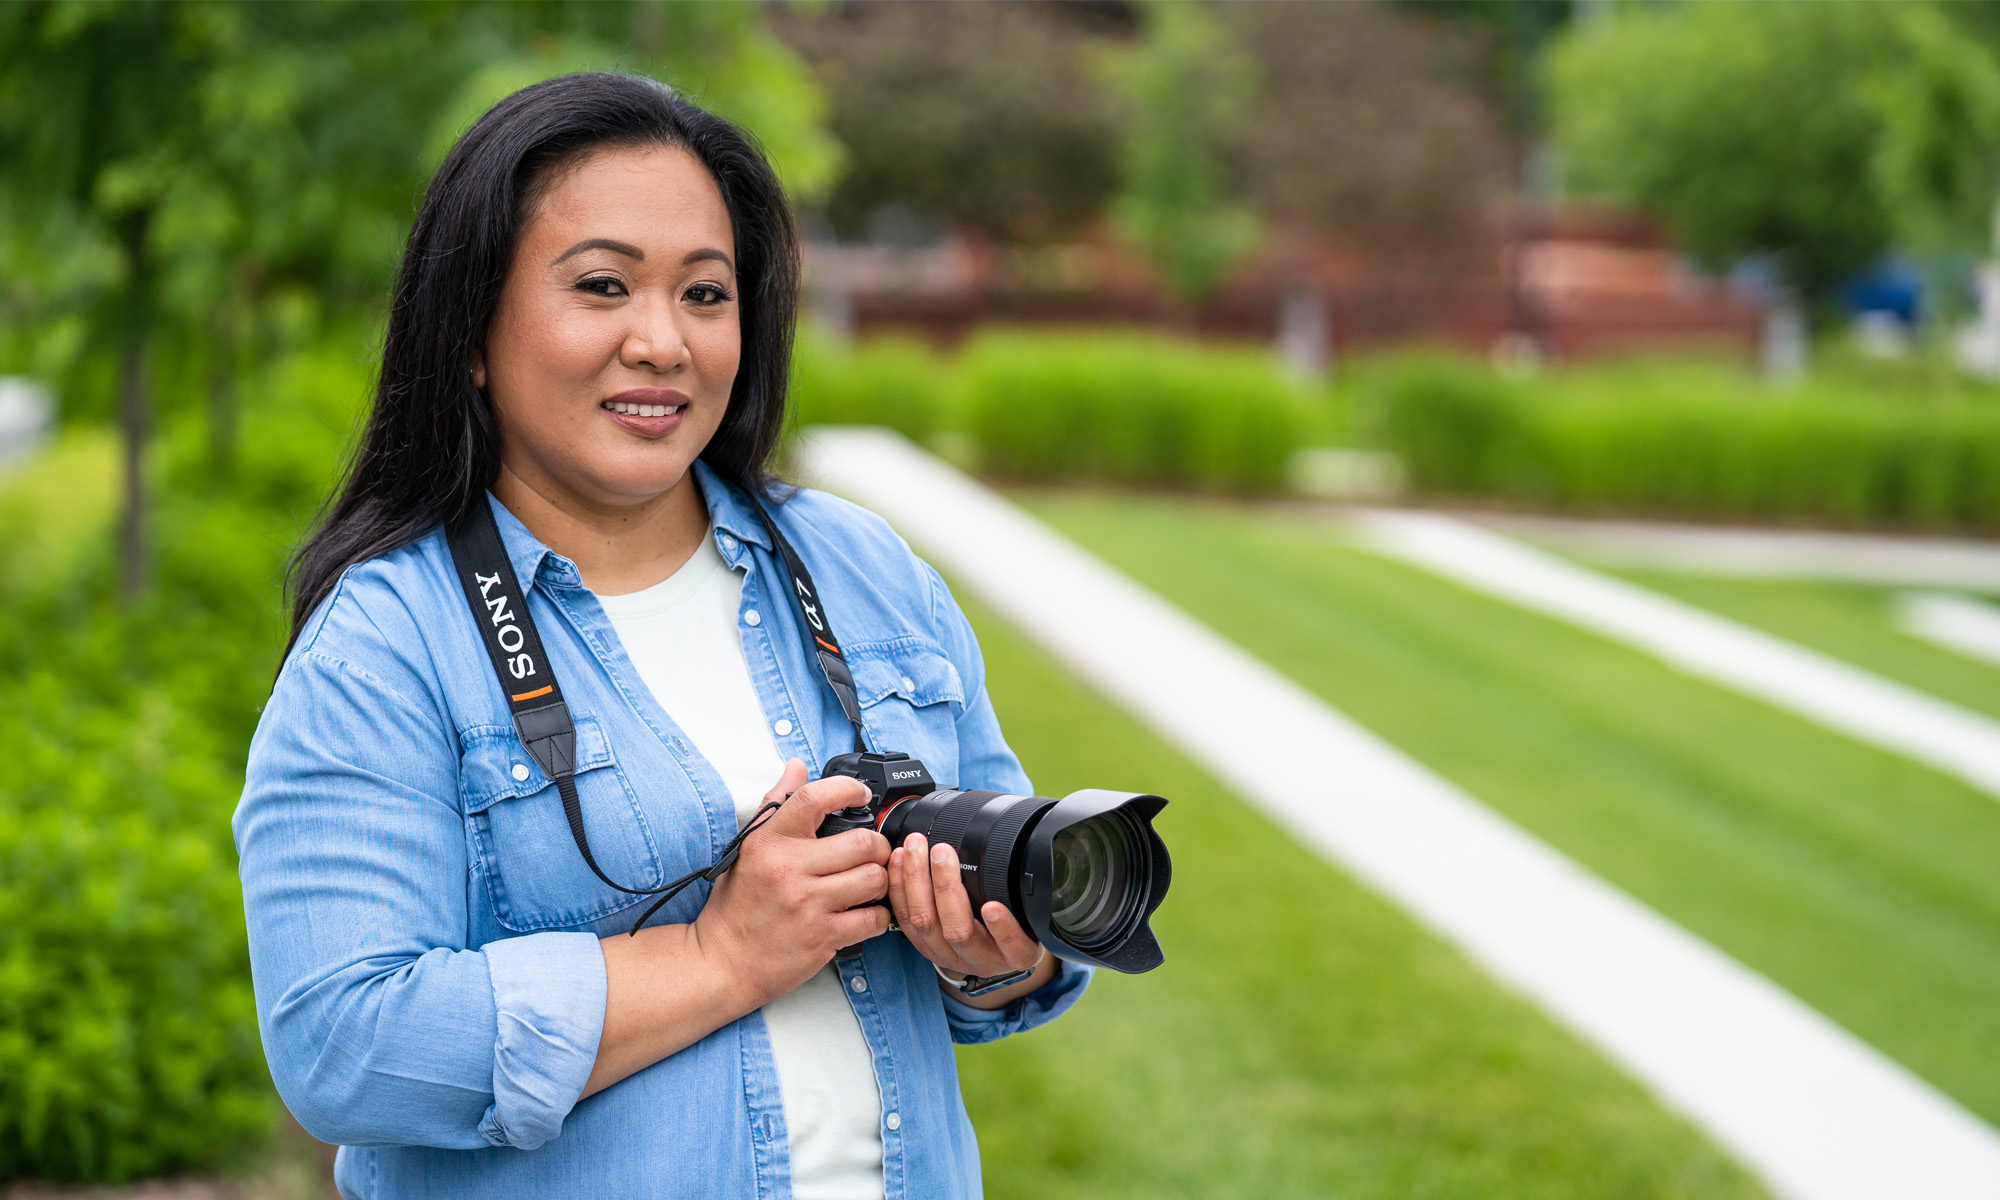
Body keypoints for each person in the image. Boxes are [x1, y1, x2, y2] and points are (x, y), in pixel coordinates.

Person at [234, 72, 1089, 1199]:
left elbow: (1019, 925)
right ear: (472, 334)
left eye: (704, 293)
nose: (661, 343)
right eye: (601, 285)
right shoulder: (388, 645)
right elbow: (345, 1047)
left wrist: (995, 953)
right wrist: (717, 955)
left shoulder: (859, 567)